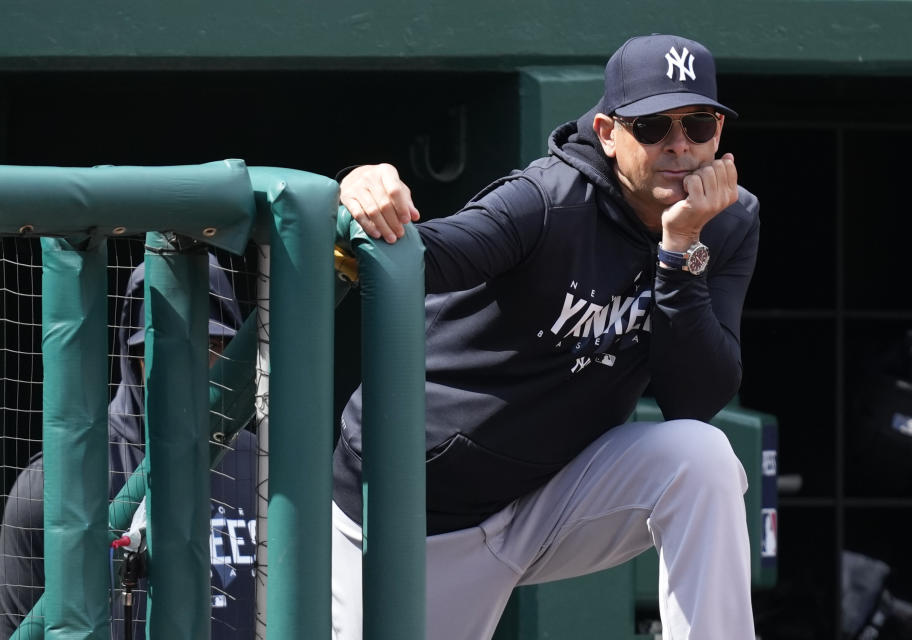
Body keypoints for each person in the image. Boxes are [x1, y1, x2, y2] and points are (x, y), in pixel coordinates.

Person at [333, 33, 760, 640]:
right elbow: (427, 258)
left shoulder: (729, 220)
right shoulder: (545, 200)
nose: (680, 146)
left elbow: (694, 398)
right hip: (413, 519)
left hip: (546, 502)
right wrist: (357, 186)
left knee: (702, 456)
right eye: (652, 127)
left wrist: (681, 251)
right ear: (610, 132)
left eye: (698, 123)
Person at [0, 254, 257, 640]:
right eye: (161, 345)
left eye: (212, 343)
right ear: (131, 353)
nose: (187, 365)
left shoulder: (269, 468)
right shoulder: (50, 487)